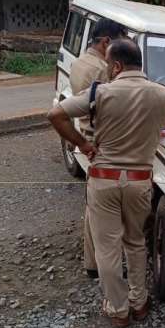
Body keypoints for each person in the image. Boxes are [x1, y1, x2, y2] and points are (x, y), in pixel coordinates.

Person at [47, 39, 165, 327]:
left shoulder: (99, 93)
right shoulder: (163, 95)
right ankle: (139, 303)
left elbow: (56, 115)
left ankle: (118, 310)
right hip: (139, 182)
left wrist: (84, 145)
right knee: (136, 242)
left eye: (108, 65)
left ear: (116, 66)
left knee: (107, 248)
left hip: (103, 181)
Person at [69, 18, 127, 280]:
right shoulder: (102, 70)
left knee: (93, 205)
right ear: (106, 42)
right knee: (108, 213)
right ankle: (110, 271)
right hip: (102, 143)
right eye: (119, 42)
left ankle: (92, 262)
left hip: (87, 137)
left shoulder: (80, 62)